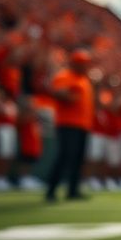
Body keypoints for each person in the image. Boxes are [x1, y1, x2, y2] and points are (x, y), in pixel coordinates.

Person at [45, 49, 94, 202]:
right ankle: (51, 190)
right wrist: (70, 96)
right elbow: (58, 92)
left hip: (83, 125)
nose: (84, 66)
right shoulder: (65, 76)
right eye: (81, 63)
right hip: (67, 123)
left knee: (78, 159)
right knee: (65, 156)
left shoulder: (84, 80)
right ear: (74, 63)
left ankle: (73, 190)